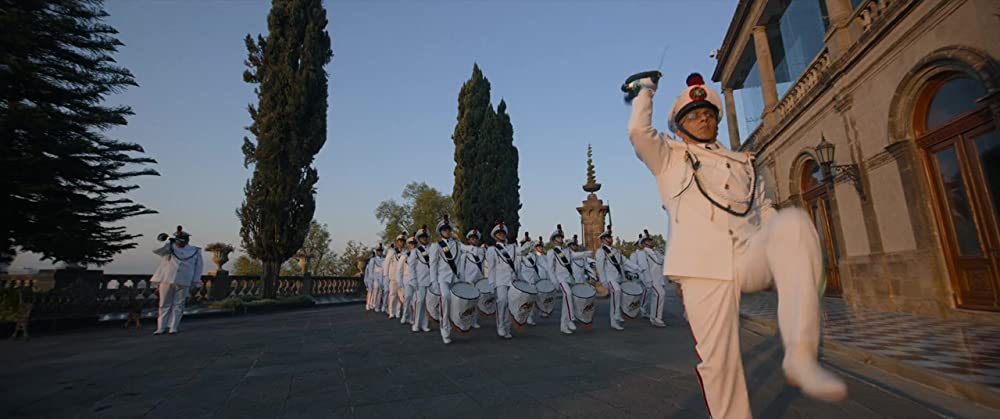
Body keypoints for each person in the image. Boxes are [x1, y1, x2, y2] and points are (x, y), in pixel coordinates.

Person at [625, 70, 846, 418]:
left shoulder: (744, 163)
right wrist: (645, 92)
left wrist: (778, 245)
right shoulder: (669, 157)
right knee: (720, 361)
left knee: (793, 223)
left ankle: (800, 357)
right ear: (680, 125)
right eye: (695, 116)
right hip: (703, 269)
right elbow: (639, 131)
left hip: (745, 256)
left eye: (709, 115)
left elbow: (763, 210)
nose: (703, 120)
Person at [150, 226, 204, 335]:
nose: (181, 241)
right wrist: (167, 241)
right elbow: (156, 250)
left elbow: (198, 267)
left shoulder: (194, 250)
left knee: (179, 304)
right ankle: (161, 327)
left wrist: (195, 280)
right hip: (166, 279)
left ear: (187, 239)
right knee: (163, 304)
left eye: (183, 238)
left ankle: (173, 326)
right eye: (179, 238)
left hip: (184, 279)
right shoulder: (169, 247)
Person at [546, 225, 591, 335]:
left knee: (567, 302)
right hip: (560, 279)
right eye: (558, 237)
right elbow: (550, 269)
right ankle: (571, 318)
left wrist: (586, 254)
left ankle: (564, 325)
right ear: (554, 239)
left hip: (569, 279)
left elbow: (575, 256)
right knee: (568, 294)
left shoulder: (567, 251)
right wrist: (554, 282)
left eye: (561, 237)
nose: (561, 239)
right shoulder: (552, 252)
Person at [594, 225, 639, 331]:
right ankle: (616, 315)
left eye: (611, 237)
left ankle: (615, 321)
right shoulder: (601, 252)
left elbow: (625, 261)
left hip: (619, 277)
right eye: (608, 238)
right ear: (603, 240)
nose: (611, 239)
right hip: (610, 278)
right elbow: (600, 267)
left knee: (619, 295)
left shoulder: (616, 251)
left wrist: (637, 268)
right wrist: (603, 281)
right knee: (617, 291)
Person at [430, 215, 463, 345]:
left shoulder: (457, 244)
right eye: (444, 230)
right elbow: (433, 265)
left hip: (455, 277)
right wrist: (434, 281)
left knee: (457, 302)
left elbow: (460, 262)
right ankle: (445, 329)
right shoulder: (436, 246)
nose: (447, 231)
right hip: (443, 278)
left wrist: (462, 278)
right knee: (445, 298)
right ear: (440, 232)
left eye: (448, 229)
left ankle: (456, 323)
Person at [486, 221, 519, 339]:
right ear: (495, 236)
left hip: (511, 279)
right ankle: (500, 325)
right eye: (499, 234)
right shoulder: (492, 250)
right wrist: (491, 283)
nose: (502, 235)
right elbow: (491, 268)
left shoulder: (512, 248)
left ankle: (507, 327)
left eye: (503, 233)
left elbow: (518, 259)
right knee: (502, 301)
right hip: (500, 280)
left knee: (510, 304)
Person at [631, 229, 667, 327]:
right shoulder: (642, 253)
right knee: (660, 294)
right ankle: (655, 318)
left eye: (651, 240)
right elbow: (644, 267)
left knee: (658, 296)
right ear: (644, 243)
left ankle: (654, 316)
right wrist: (648, 280)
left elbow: (663, 260)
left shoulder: (656, 252)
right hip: (652, 279)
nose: (652, 241)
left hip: (658, 278)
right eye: (649, 240)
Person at [458, 228, 486, 329]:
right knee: (466, 302)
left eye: (476, 238)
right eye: (472, 238)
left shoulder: (481, 252)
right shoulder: (465, 254)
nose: (474, 240)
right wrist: (462, 281)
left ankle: (473, 320)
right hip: (468, 280)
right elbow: (461, 269)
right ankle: (463, 320)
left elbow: (483, 266)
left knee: (475, 302)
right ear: (469, 240)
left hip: (478, 280)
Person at [516, 232, 544, 325]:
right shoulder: (518, 257)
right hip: (523, 282)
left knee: (531, 301)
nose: (527, 247)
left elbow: (537, 268)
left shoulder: (533, 256)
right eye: (525, 245)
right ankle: (520, 316)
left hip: (532, 282)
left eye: (529, 245)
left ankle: (530, 317)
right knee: (522, 302)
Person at [409, 226, 433, 333]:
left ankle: (425, 324)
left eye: (426, 237)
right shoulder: (416, 251)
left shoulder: (433, 249)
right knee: (419, 302)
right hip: (420, 280)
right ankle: (416, 323)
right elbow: (411, 267)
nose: (424, 239)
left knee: (428, 303)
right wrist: (413, 280)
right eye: (422, 237)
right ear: (419, 238)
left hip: (431, 280)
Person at [383, 234, 406, 319]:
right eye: (400, 241)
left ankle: (398, 312)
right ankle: (391, 312)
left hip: (402, 277)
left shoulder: (405, 252)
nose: (401, 243)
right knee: (392, 294)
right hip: (393, 276)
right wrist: (386, 275)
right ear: (397, 242)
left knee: (401, 295)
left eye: (403, 241)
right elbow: (386, 263)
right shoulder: (392, 251)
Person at [400, 235, 417, 326]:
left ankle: (412, 318)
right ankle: (405, 315)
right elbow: (400, 269)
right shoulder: (404, 256)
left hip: (417, 279)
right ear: (408, 245)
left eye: (414, 243)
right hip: (407, 279)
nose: (413, 245)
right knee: (407, 298)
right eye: (411, 244)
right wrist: (400, 282)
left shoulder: (419, 254)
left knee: (414, 300)